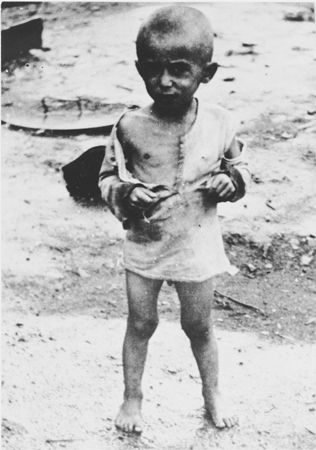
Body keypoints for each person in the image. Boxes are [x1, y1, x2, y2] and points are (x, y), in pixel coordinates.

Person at [99, 5, 250, 434]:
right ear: (139, 68)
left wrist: (230, 181)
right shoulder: (129, 125)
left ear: (207, 72)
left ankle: (212, 393)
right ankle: (132, 397)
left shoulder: (220, 123)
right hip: (145, 242)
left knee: (198, 324)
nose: (164, 81)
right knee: (141, 323)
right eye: (153, 69)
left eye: (179, 70)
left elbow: (243, 169)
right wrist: (128, 192)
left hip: (196, 242)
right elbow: (107, 178)